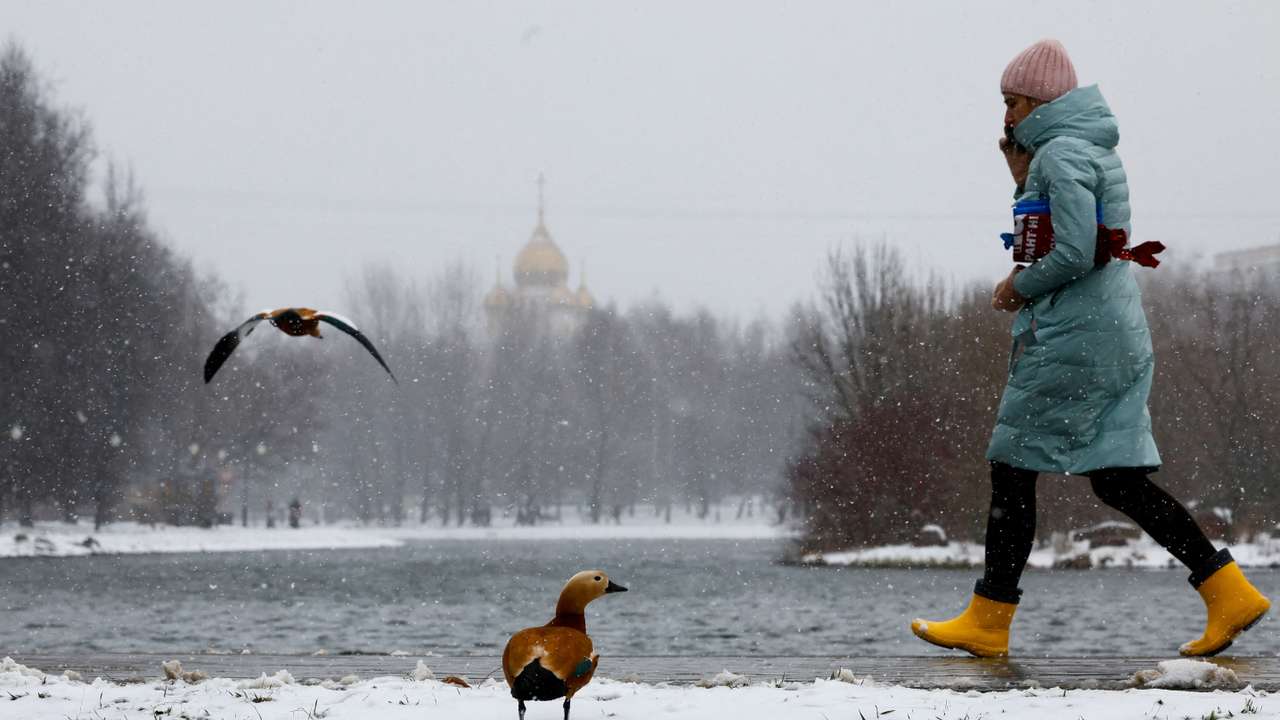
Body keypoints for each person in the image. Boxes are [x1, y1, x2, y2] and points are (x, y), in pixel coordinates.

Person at [910, 39, 1270, 658]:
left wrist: (1015, 286)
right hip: (1107, 332)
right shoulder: (1077, 150)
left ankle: (989, 619)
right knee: (1117, 480)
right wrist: (1024, 181)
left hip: (1078, 340)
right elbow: (1072, 231)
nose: (1006, 115)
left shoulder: (1064, 153)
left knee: (1012, 466)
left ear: (1041, 101)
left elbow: (1074, 251)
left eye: (1013, 100)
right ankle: (1227, 591)